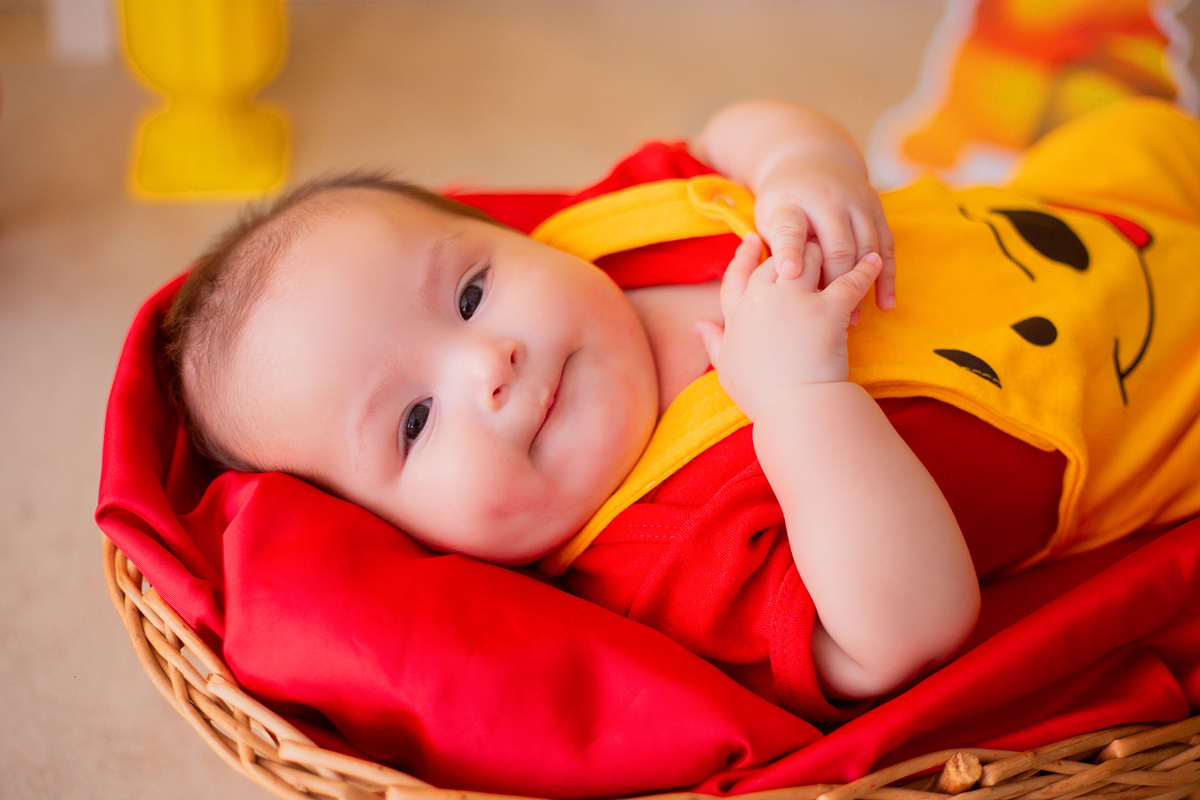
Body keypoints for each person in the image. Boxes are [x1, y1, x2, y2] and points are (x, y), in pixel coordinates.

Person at [162, 97, 1200, 712]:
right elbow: (910, 627)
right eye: (415, 421)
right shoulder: (662, 557)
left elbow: (728, 129)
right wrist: (799, 398)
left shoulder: (605, 237)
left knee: (1137, 129)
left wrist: (803, 163)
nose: (488, 360)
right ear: (411, 541)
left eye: (471, 290)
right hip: (1145, 393)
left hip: (1061, 208)